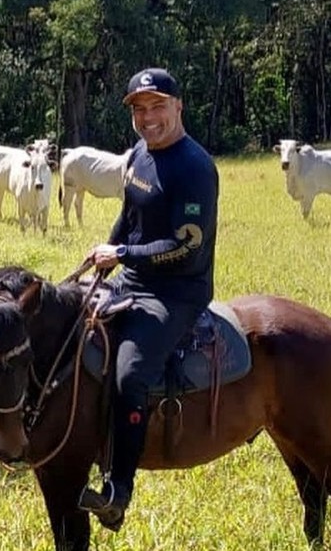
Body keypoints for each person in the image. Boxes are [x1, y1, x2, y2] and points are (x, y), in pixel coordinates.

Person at [78, 68, 219, 530]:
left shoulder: (194, 168)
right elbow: (130, 216)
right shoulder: (139, 153)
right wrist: (108, 254)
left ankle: (118, 489)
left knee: (129, 374)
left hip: (176, 291)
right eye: (139, 108)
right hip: (132, 278)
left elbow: (186, 245)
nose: (147, 117)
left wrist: (121, 253)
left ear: (178, 107)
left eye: (157, 106)